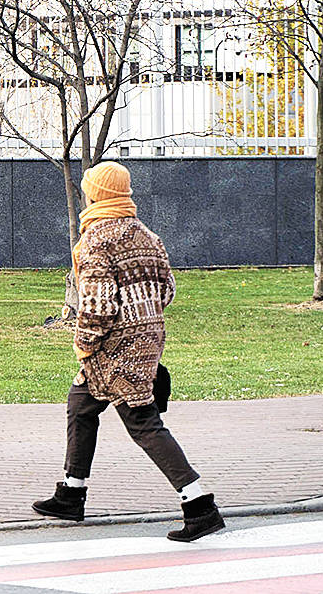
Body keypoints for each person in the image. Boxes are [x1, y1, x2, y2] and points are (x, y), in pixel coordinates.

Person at [31, 161, 225, 542]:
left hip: (113, 347)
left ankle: (199, 506)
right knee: (81, 404)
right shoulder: (147, 235)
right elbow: (167, 290)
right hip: (148, 339)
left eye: (89, 188)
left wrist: (83, 342)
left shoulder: (94, 241)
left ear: (96, 193)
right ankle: (72, 492)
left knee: (143, 423)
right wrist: (144, 314)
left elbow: (98, 307)